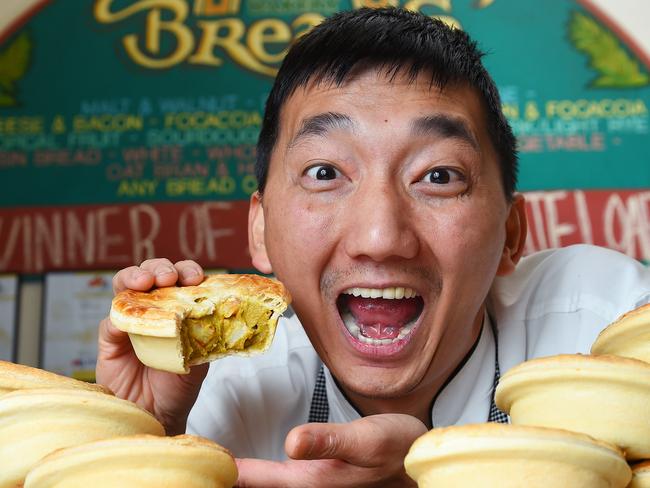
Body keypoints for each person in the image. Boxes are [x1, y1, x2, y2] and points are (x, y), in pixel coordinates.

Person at [97, 7, 650, 487]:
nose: (380, 238)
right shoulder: (230, 391)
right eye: (324, 171)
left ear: (510, 235)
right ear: (260, 232)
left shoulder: (607, 329)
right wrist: (138, 435)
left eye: (437, 176)